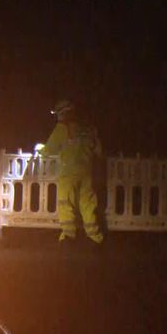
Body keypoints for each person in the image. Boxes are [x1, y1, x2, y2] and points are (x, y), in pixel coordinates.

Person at [35, 99, 104, 246]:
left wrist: (39, 148)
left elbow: (48, 150)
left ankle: (68, 236)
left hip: (68, 173)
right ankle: (95, 237)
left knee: (66, 203)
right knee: (88, 204)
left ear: (63, 113)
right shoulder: (88, 129)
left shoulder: (63, 129)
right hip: (87, 173)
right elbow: (98, 151)